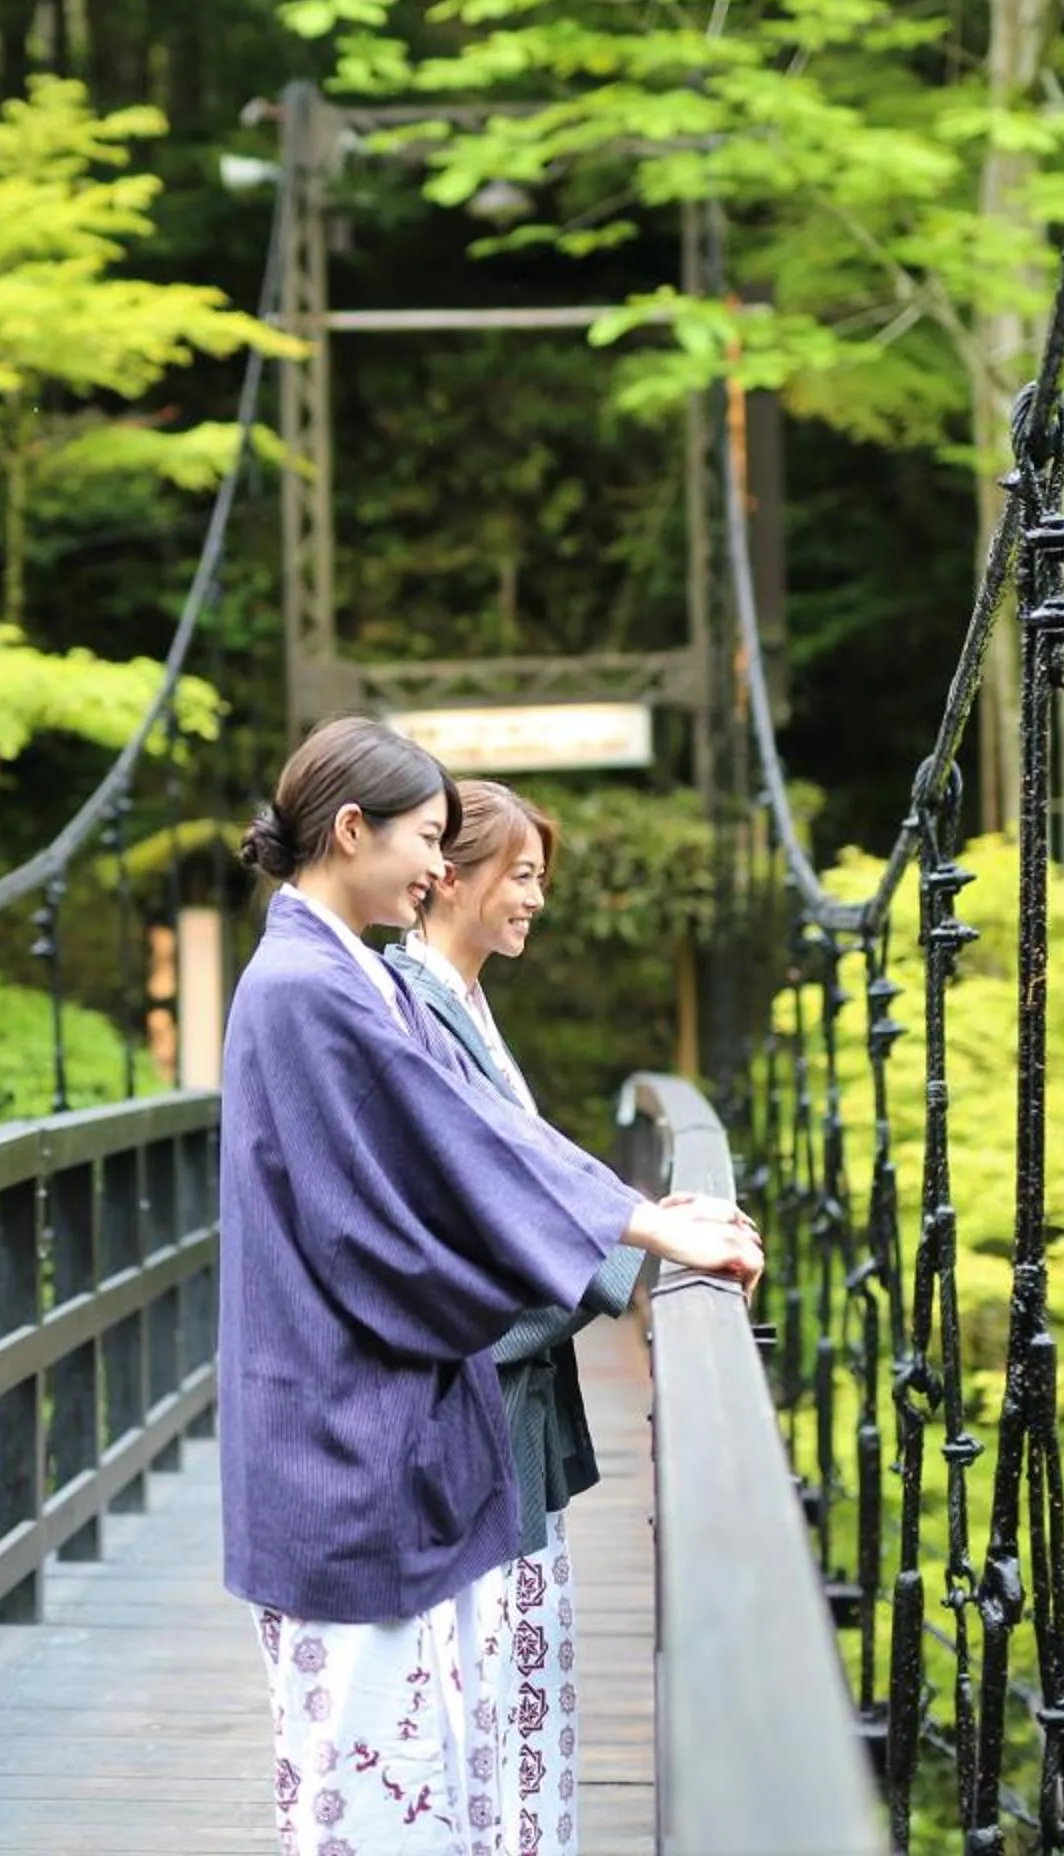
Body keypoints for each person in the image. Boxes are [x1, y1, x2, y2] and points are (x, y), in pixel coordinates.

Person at [218, 716, 760, 1856]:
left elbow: (479, 1139)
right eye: (427, 838)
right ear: (353, 829)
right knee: (373, 1789)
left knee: (416, 1772)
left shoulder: (342, 972)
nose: (435, 866)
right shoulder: (311, 986)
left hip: (364, 1428)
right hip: (342, 1439)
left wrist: (640, 1221)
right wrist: (643, 1227)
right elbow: (456, 1155)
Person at [385, 783, 622, 1856]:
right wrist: (630, 1252)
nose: (536, 898)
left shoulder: (463, 1003)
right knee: (488, 1700)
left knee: (508, 1696)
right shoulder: (414, 1013)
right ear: (450, 877)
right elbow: (478, 1216)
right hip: (472, 1402)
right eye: (521, 875)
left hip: (500, 1402)